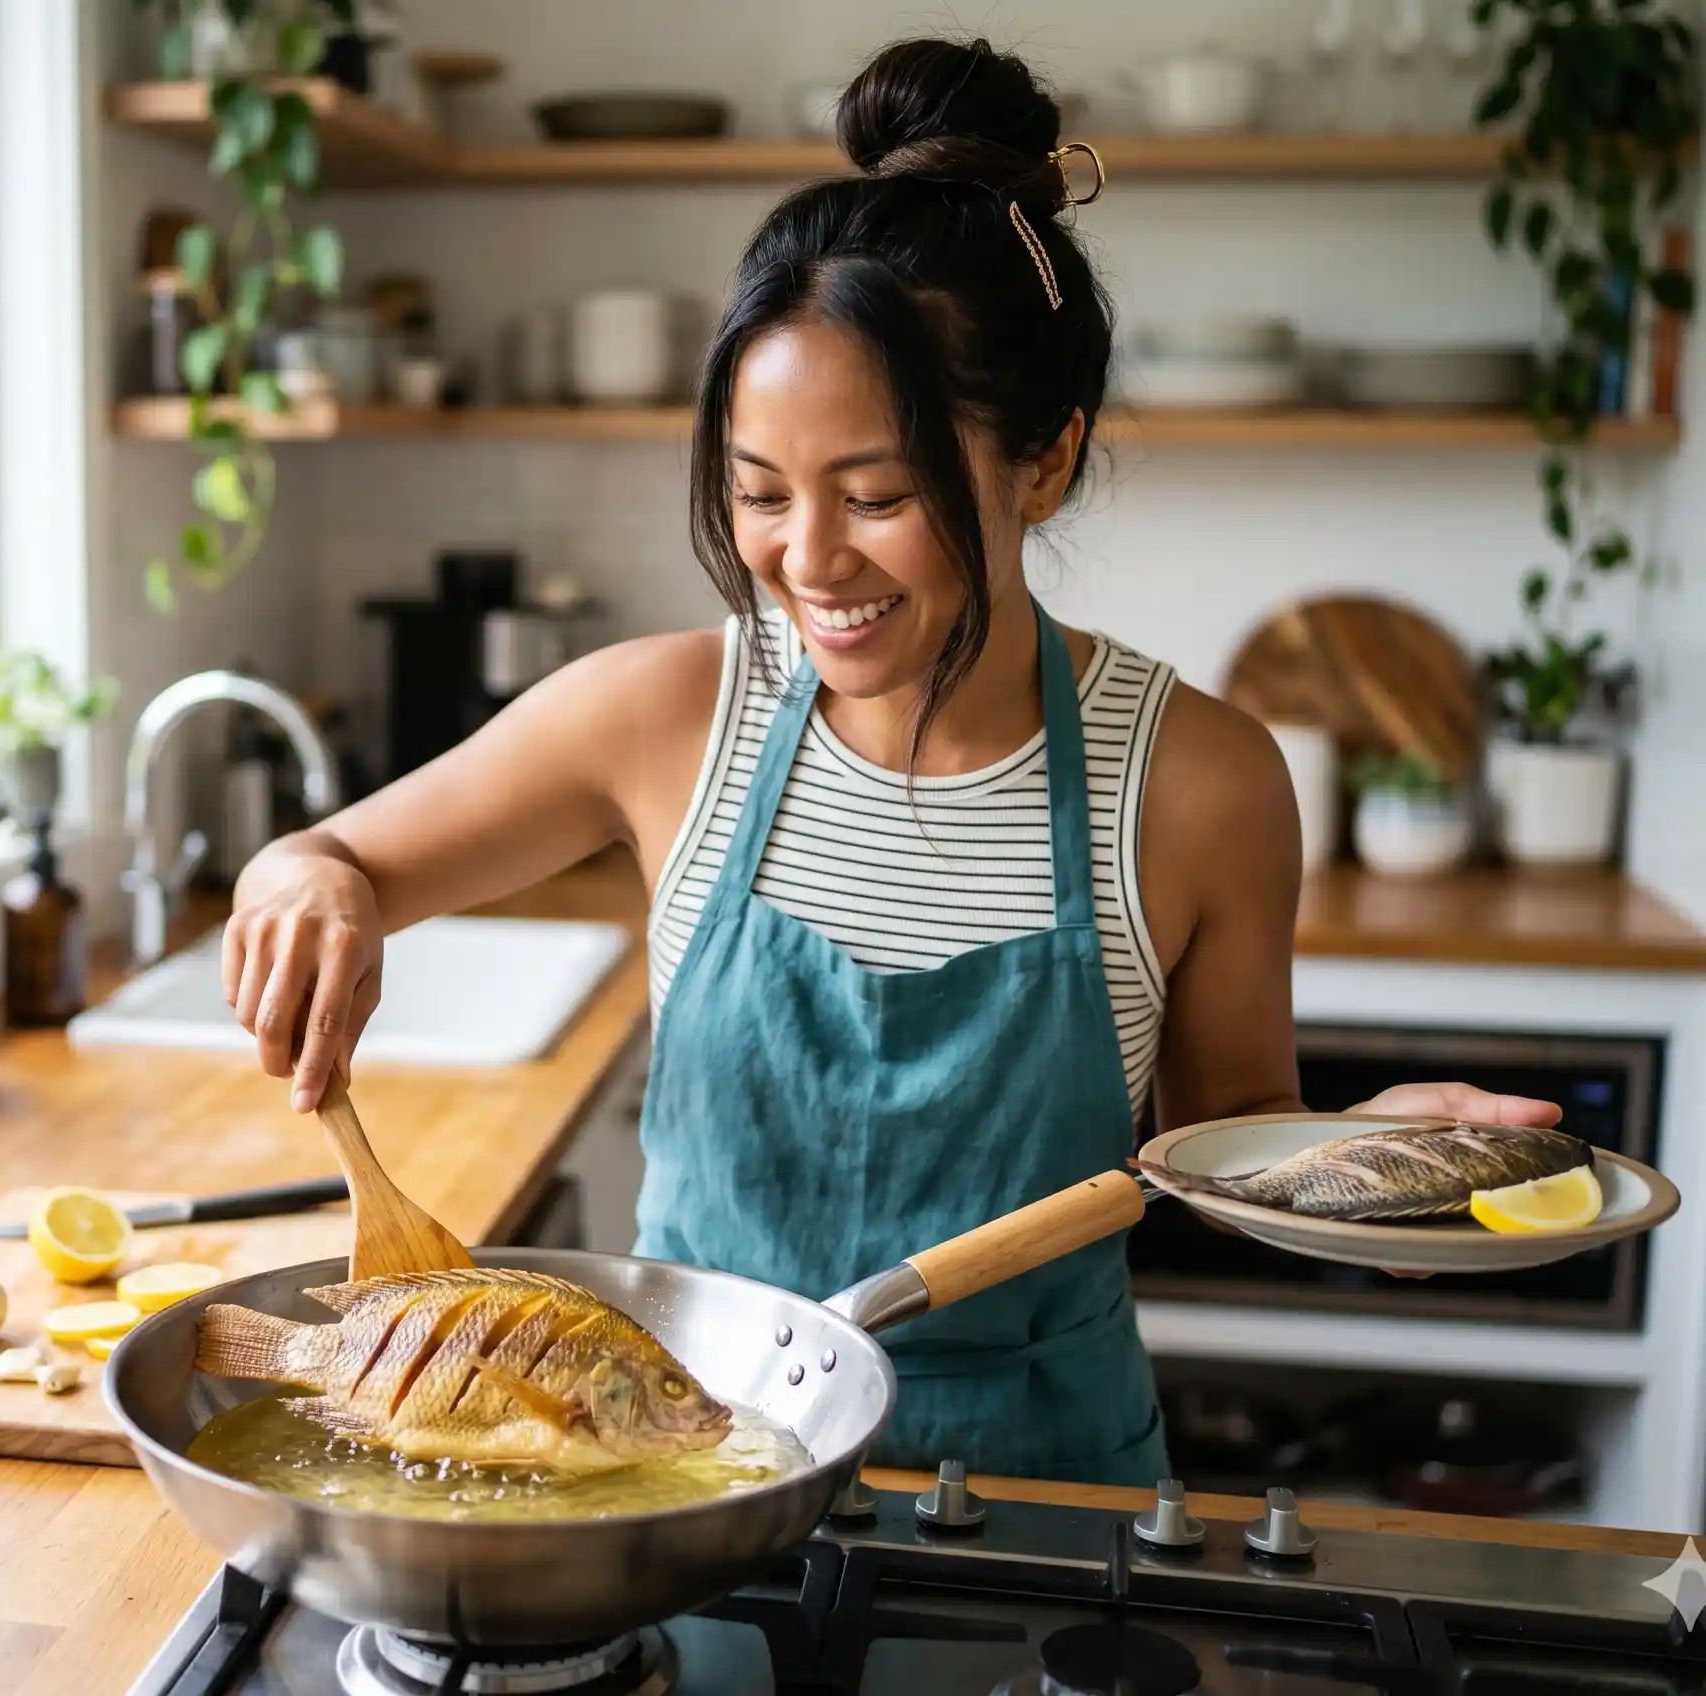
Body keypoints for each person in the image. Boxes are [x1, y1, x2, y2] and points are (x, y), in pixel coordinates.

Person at [221, 35, 1558, 1483]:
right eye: (760, 495)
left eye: (877, 495)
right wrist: (310, 885)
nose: (808, 560)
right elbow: (329, 855)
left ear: (1044, 460)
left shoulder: (1197, 783)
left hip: (1041, 1501)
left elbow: (1227, 1146)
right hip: (680, 1473)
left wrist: (1364, 1175)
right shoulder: (662, 719)